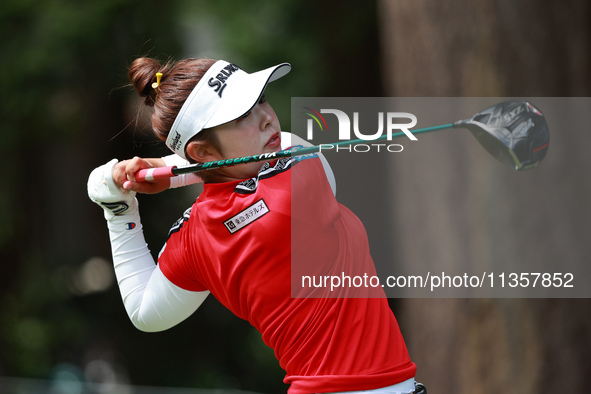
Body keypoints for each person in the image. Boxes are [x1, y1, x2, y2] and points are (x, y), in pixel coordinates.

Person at [87, 56, 425, 394]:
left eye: (260, 99)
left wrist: (119, 211)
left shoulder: (195, 235)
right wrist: (168, 171)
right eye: (242, 116)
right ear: (203, 150)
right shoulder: (297, 183)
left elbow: (146, 311)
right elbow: (294, 143)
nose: (266, 118)